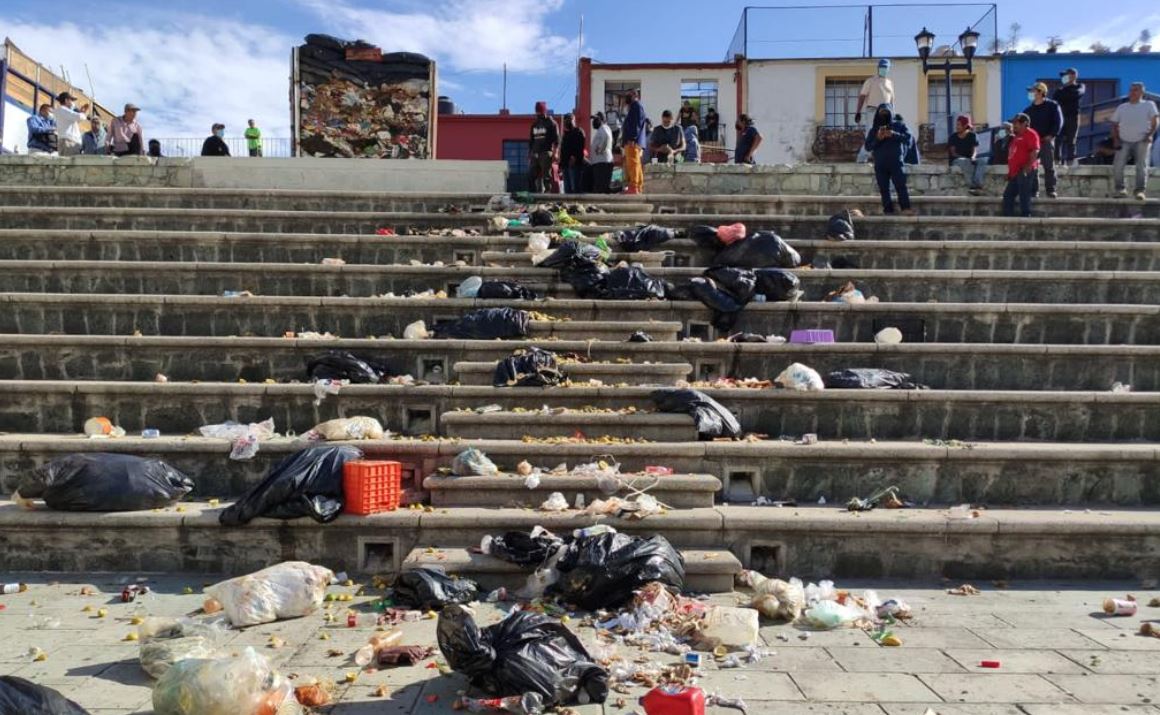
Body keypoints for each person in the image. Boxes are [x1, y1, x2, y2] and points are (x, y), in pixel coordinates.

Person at [1110, 82, 1159, 200]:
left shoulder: (1149, 105)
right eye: (1131, 90)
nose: (1132, 92)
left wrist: (1150, 135)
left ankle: (1140, 191)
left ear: (1142, 92)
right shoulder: (1122, 107)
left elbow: (1155, 120)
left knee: (1141, 166)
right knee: (1118, 166)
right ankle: (1120, 189)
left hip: (1142, 140)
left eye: (1135, 90)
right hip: (1124, 141)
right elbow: (1114, 124)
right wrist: (1116, 139)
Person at [864, 104, 912, 215]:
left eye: (886, 113)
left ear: (891, 113)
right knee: (883, 189)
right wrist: (878, 138)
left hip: (896, 163)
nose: (883, 116)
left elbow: (908, 139)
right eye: (881, 113)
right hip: (880, 165)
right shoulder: (874, 129)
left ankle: (906, 208)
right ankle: (888, 210)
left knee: (900, 186)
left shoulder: (899, 126)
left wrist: (893, 134)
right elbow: (868, 147)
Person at [1022, 82, 1063, 198]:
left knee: (1049, 166)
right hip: (1033, 143)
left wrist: (1052, 135)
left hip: (1046, 141)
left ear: (1041, 92)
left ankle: (1051, 190)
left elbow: (1058, 122)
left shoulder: (1053, 106)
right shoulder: (1028, 110)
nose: (1030, 93)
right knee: (1033, 167)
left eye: (1033, 91)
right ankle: (1034, 191)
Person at [855, 59, 895, 162]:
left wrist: (893, 115)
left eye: (885, 67)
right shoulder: (871, 81)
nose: (883, 69)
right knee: (871, 134)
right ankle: (862, 158)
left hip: (886, 112)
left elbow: (891, 101)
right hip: (873, 110)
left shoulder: (890, 83)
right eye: (881, 67)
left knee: (885, 135)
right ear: (878, 68)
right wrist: (858, 112)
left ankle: (881, 158)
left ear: (888, 69)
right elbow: (862, 96)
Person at [1002, 113, 1041, 218]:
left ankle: (1026, 216)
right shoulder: (1016, 136)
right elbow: (1013, 155)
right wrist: (1010, 174)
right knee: (1008, 195)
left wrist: (1028, 166)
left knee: (1024, 193)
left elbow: (1035, 151)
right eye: (1013, 123)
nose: (1014, 125)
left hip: (1024, 170)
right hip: (1015, 173)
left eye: (1016, 123)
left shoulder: (1031, 134)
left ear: (1025, 123)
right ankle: (1008, 217)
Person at [1053, 68, 1085, 166]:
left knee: (1071, 140)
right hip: (1061, 117)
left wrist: (1066, 95)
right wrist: (1067, 93)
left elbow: (1077, 94)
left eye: (1067, 75)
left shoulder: (1080, 86)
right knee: (1058, 140)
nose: (1064, 77)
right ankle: (1056, 162)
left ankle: (1070, 162)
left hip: (1073, 116)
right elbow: (1056, 97)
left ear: (1074, 75)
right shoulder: (1060, 89)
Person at [948, 114, 986, 194]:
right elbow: (953, 153)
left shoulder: (973, 136)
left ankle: (978, 183)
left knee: (982, 161)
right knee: (964, 161)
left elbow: (974, 150)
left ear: (965, 125)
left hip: (969, 159)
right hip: (956, 160)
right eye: (957, 124)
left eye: (959, 125)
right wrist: (967, 159)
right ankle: (971, 185)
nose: (957, 127)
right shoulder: (953, 137)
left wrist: (973, 157)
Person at [528, 101, 559, 193]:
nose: (538, 114)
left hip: (546, 153)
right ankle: (533, 196)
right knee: (530, 176)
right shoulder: (534, 124)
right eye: (537, 112)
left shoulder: (551, 123)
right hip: (535, 153)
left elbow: (557, 140)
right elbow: (531, 140)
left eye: (540, 112)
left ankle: (547, 196)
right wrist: (530, 154)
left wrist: (555, 153)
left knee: (546, 177)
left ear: (544, 111)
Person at [620, 89, 646, 194]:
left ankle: (634, 186)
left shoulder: (636, 106)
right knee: (636, 163)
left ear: (635, 95)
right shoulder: (634, 107)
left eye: (629, 94)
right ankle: (638, 186)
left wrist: (632, 138)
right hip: (634, 140)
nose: (626, 96)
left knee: (633, 163)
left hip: (633, 141)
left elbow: (636, 123)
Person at [52, 92, 90, 156]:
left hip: (66, 141)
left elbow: (73, 121)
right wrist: (83, 113)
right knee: (69, 164)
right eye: (71, 100)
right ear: (66, 100)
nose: (73, 103)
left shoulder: (61, 111)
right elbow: (80, 117)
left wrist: (80, 112)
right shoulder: (63, 109)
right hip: (69, 142)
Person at [558, 113, 586, 194]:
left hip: (575, 165)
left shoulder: (579, 131)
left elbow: (581, 147)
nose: (568, 122)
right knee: (567, 189)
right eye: (566, 120)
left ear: (574, 120)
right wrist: (561, 164)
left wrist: (574, 157)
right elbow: (563, 151)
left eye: (570, 119)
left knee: (575, 188)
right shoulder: (565, 135)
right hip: (565, 165)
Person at [589, 112, 613, 193]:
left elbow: (606, 137)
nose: (593, 122)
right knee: (600, 186)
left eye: (596, 119)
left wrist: (600, 149)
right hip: (600, 162)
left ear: (601, 120)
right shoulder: (601, 129)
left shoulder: (604, 127)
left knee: (601, 187)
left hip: (602, 162)